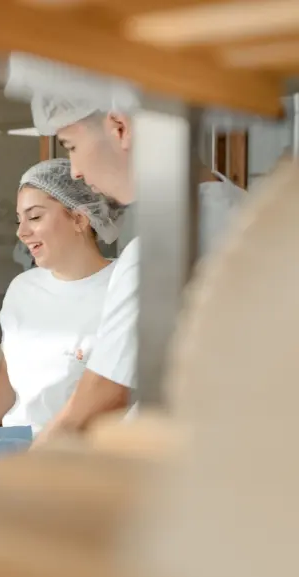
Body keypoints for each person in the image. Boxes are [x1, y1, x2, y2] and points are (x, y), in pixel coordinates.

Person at [26, 91, 245, 443]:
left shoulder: (162, 250)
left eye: (71, 146)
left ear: (119, 127)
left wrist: (23, 476)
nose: (76, 171)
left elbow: (104, 396)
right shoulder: (242, 207)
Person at [0, 159, 122, 448]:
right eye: (19, 220)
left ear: (80, 219)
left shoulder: (122, 288)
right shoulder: (23, 289)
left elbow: (118, 396)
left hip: (87, 461)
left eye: (35, 217)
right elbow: (9, 373)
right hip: (18, 451)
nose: (21, 232)